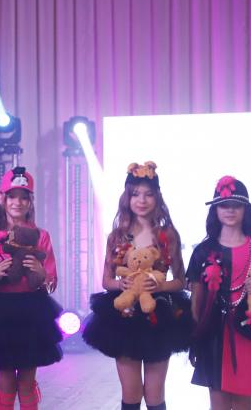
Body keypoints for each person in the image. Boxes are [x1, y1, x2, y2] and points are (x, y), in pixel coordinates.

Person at [82, 162, 192, 410]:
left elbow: (181, 280)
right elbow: (106, 281)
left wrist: (158, 287)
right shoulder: (117, 236)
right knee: (131, 392)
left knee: (154, 393)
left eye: (148, 194)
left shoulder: (168, 235)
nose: (142, 200)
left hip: (159, 316)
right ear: (127, 198)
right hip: (125, 317)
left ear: (157, 197)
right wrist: (121, 284)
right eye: (135, 194)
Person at [0, 166, 62, 410]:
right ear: (2, 198)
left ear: (30, 202)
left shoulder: (41, 236)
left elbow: (52, 282)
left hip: (32, 312)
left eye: (24, 197)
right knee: (6, 382)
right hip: (0, 314)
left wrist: (41, 273)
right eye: (12, 196)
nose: (17, 203)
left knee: (27, 383)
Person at [187, 176, 251, 410]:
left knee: (245, 401)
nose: (230, 210)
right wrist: (194, 337)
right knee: (218, 401)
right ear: (215, 210)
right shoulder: (203, 251)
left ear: (246, 209)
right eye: (224, 205)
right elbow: (195, 301)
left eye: (236, 205)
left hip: (247, 329)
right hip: (212, 332)